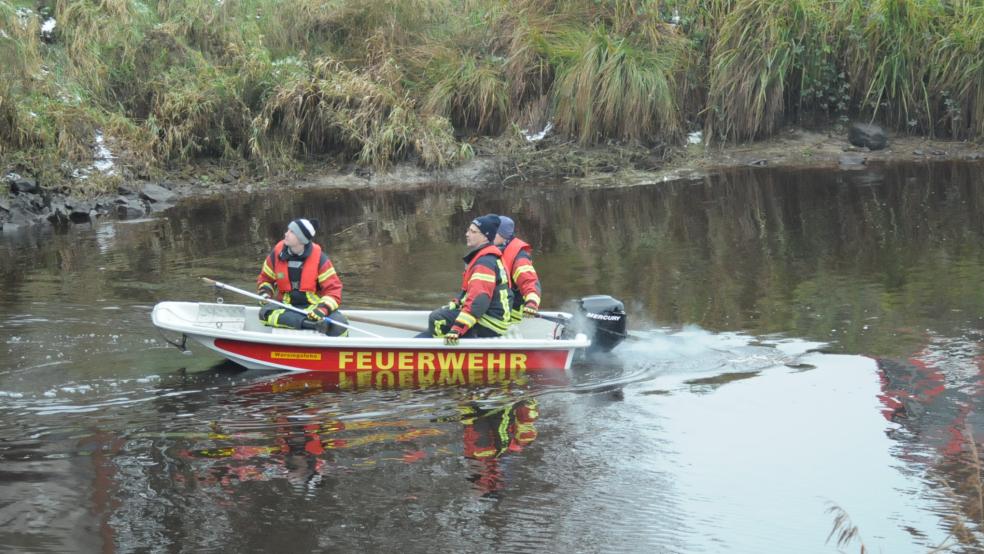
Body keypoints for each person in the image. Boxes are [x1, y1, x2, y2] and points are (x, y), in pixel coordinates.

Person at [422, 214, 512, 344]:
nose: (467, 234)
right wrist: (458, 302)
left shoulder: (484, 263)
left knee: (437, 318)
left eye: (473, 231)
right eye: (468, 230)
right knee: (443, 313)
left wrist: (458, 328)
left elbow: (479, 300)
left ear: (485, 236)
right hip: (492, 318)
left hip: (490, 323)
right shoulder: (486, 257)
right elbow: (471, 293)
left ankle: (442, 354)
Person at [256, 218, 349, 336]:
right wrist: (265, 294)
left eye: (291, 231)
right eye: (288, 230)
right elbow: (265, 279)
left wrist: (322, 310)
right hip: (287, 307)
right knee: (265, 313)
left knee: (340, 326)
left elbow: (333, 291)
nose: (286, 234)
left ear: (301, 239)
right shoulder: (276, 254)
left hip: (313, 308)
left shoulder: (320, 259)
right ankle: (312, 325)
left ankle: (323, 332)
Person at [494, 216, 542, 321]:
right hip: (496, 308)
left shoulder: (518, 257)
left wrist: (531, 303)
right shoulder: (493, 251)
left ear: (504, 235)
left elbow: (529, 281)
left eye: (494, 232)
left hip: (511, 314)